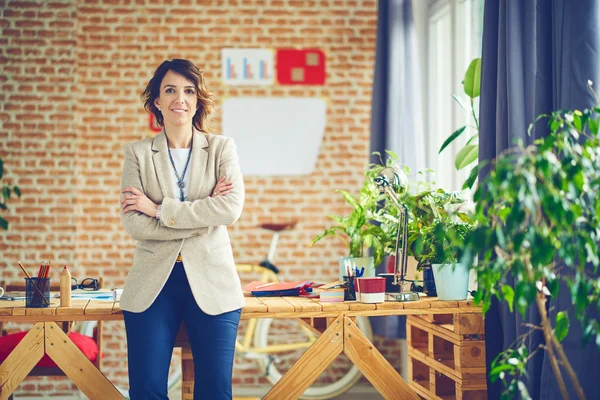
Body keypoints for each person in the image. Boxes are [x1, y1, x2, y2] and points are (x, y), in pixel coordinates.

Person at [119, 58, 245, 400]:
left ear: (198, 99)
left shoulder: (221, 148)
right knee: (146, 391)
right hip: (153, 285)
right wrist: (203, 218)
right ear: (157, 101)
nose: (181, 98)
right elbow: (134, 223)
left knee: (215, 393)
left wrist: (158, 209)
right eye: (170, 90)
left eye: (189, 90)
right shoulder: (138, 154)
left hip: (214, 281)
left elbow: (230, 209)